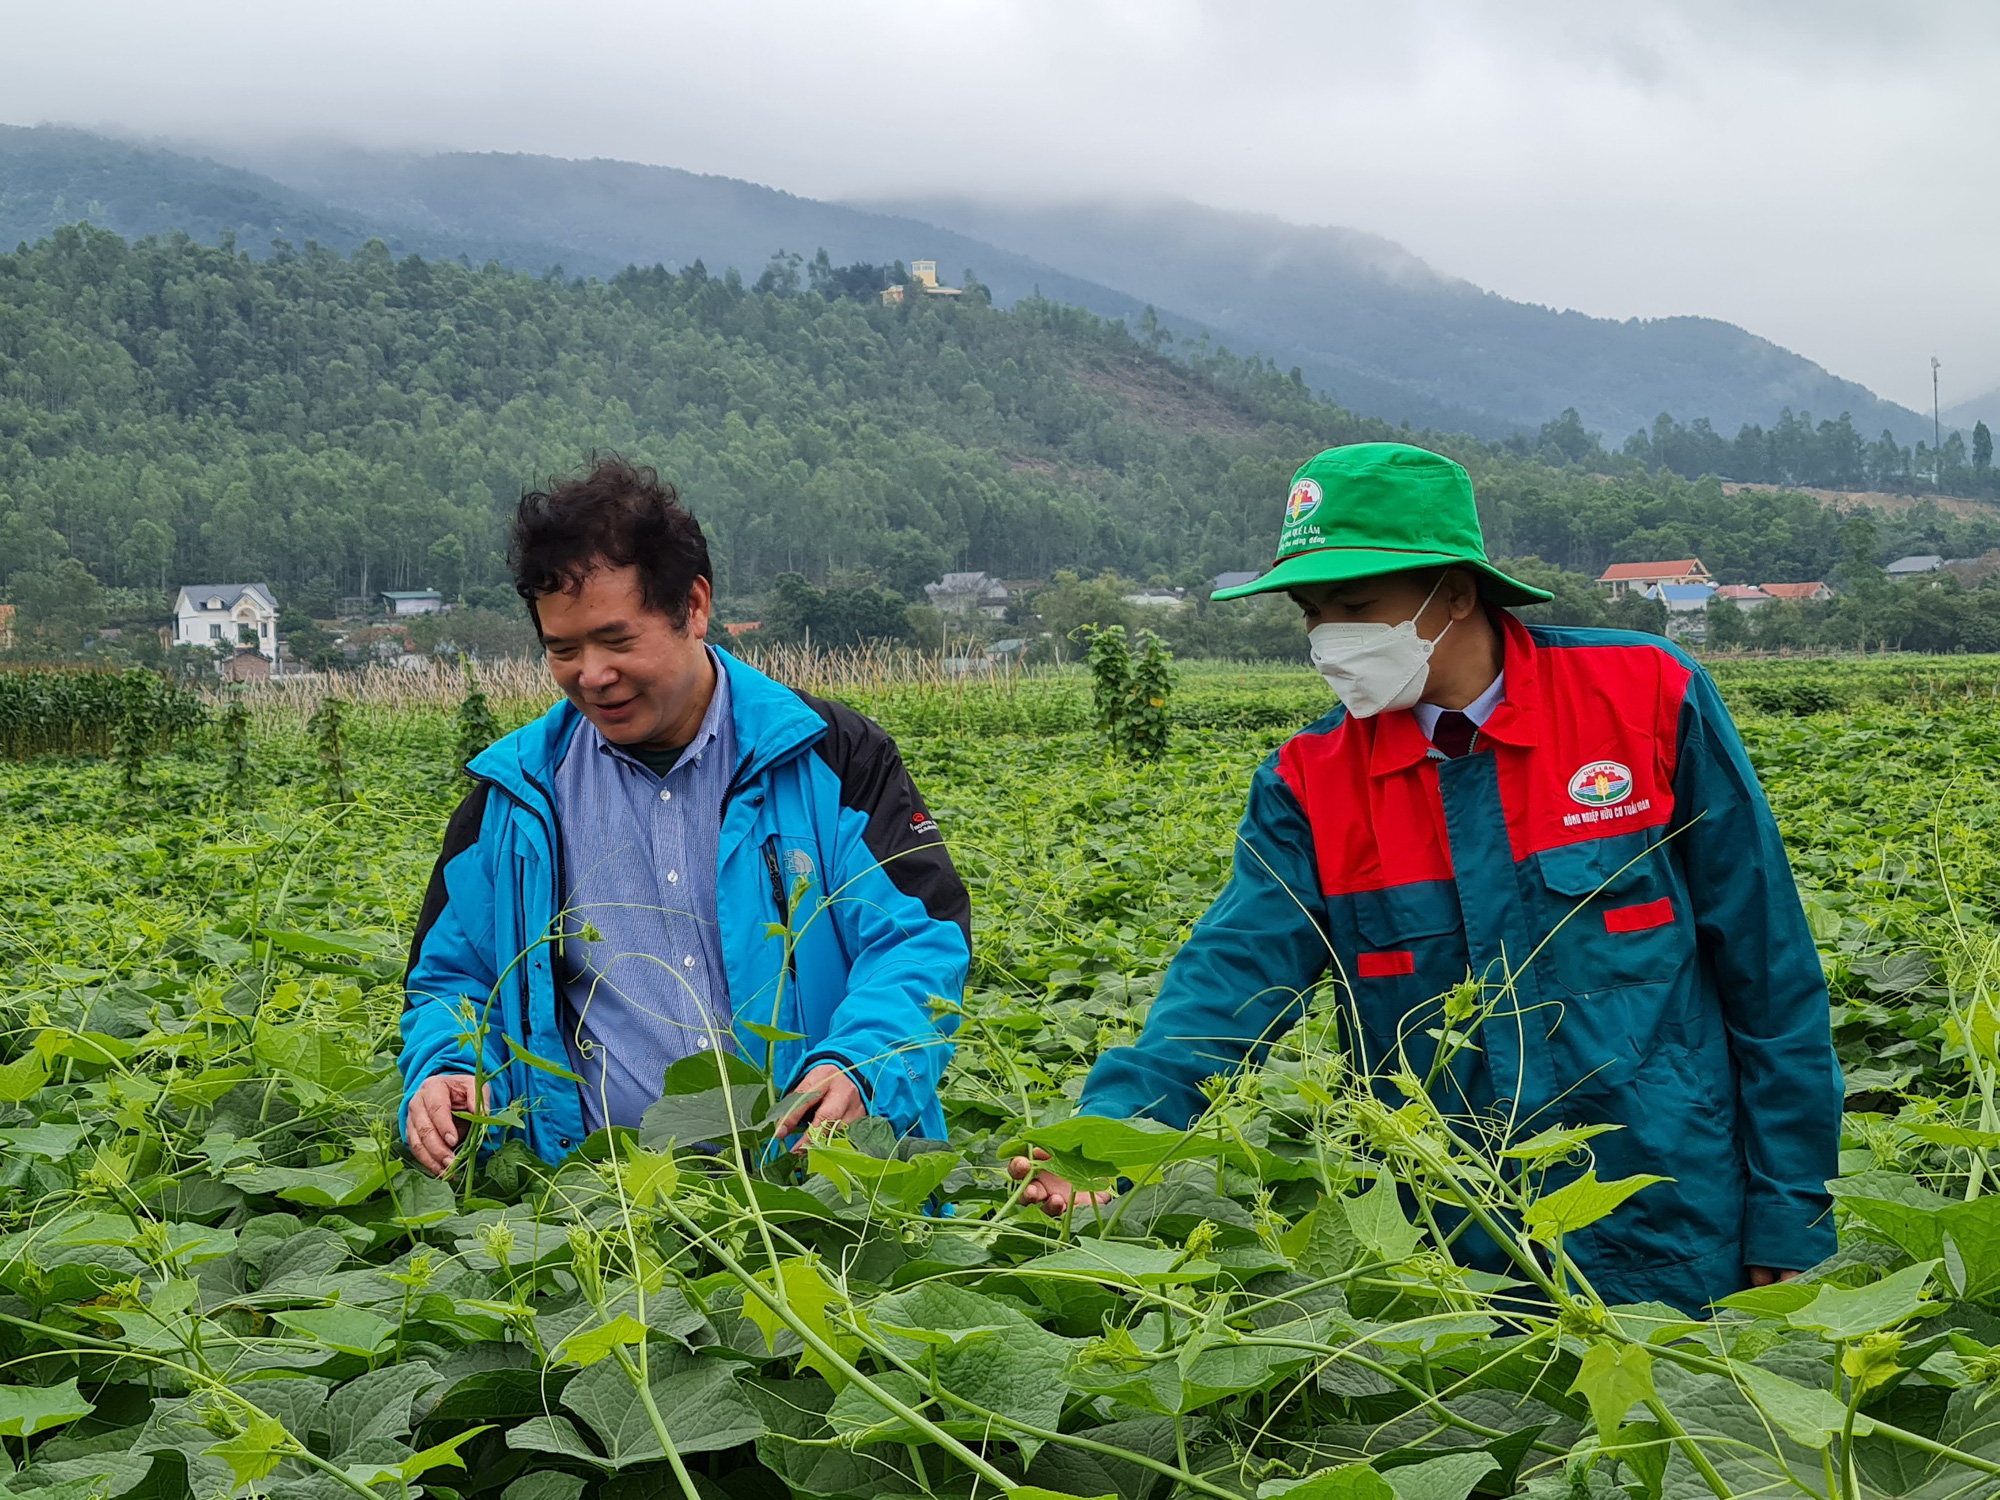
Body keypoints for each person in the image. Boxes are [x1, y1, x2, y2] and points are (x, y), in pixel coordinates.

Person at [1010, 441, 1841, 1312]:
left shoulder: (1644, 695)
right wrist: (1106, 1139)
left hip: (1674, 1209)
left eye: (1358, 604)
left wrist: (1789, 1209)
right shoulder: (1308, 782)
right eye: (1311, 611)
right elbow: (1230, 976)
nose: (1330, 636)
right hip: (1449, 1243)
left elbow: (1769, 970)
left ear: (1454, 590)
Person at [400, 457, 970, 1175]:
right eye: (563, 650)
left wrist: (862, 1067)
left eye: (617, 640)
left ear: (693, 606)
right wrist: (446, 1067)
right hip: (608, 1218)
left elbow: (919, 941)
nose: (592, 675)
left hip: (826, 1196)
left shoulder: (834, 758)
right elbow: (451, 979)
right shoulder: (512, 798)